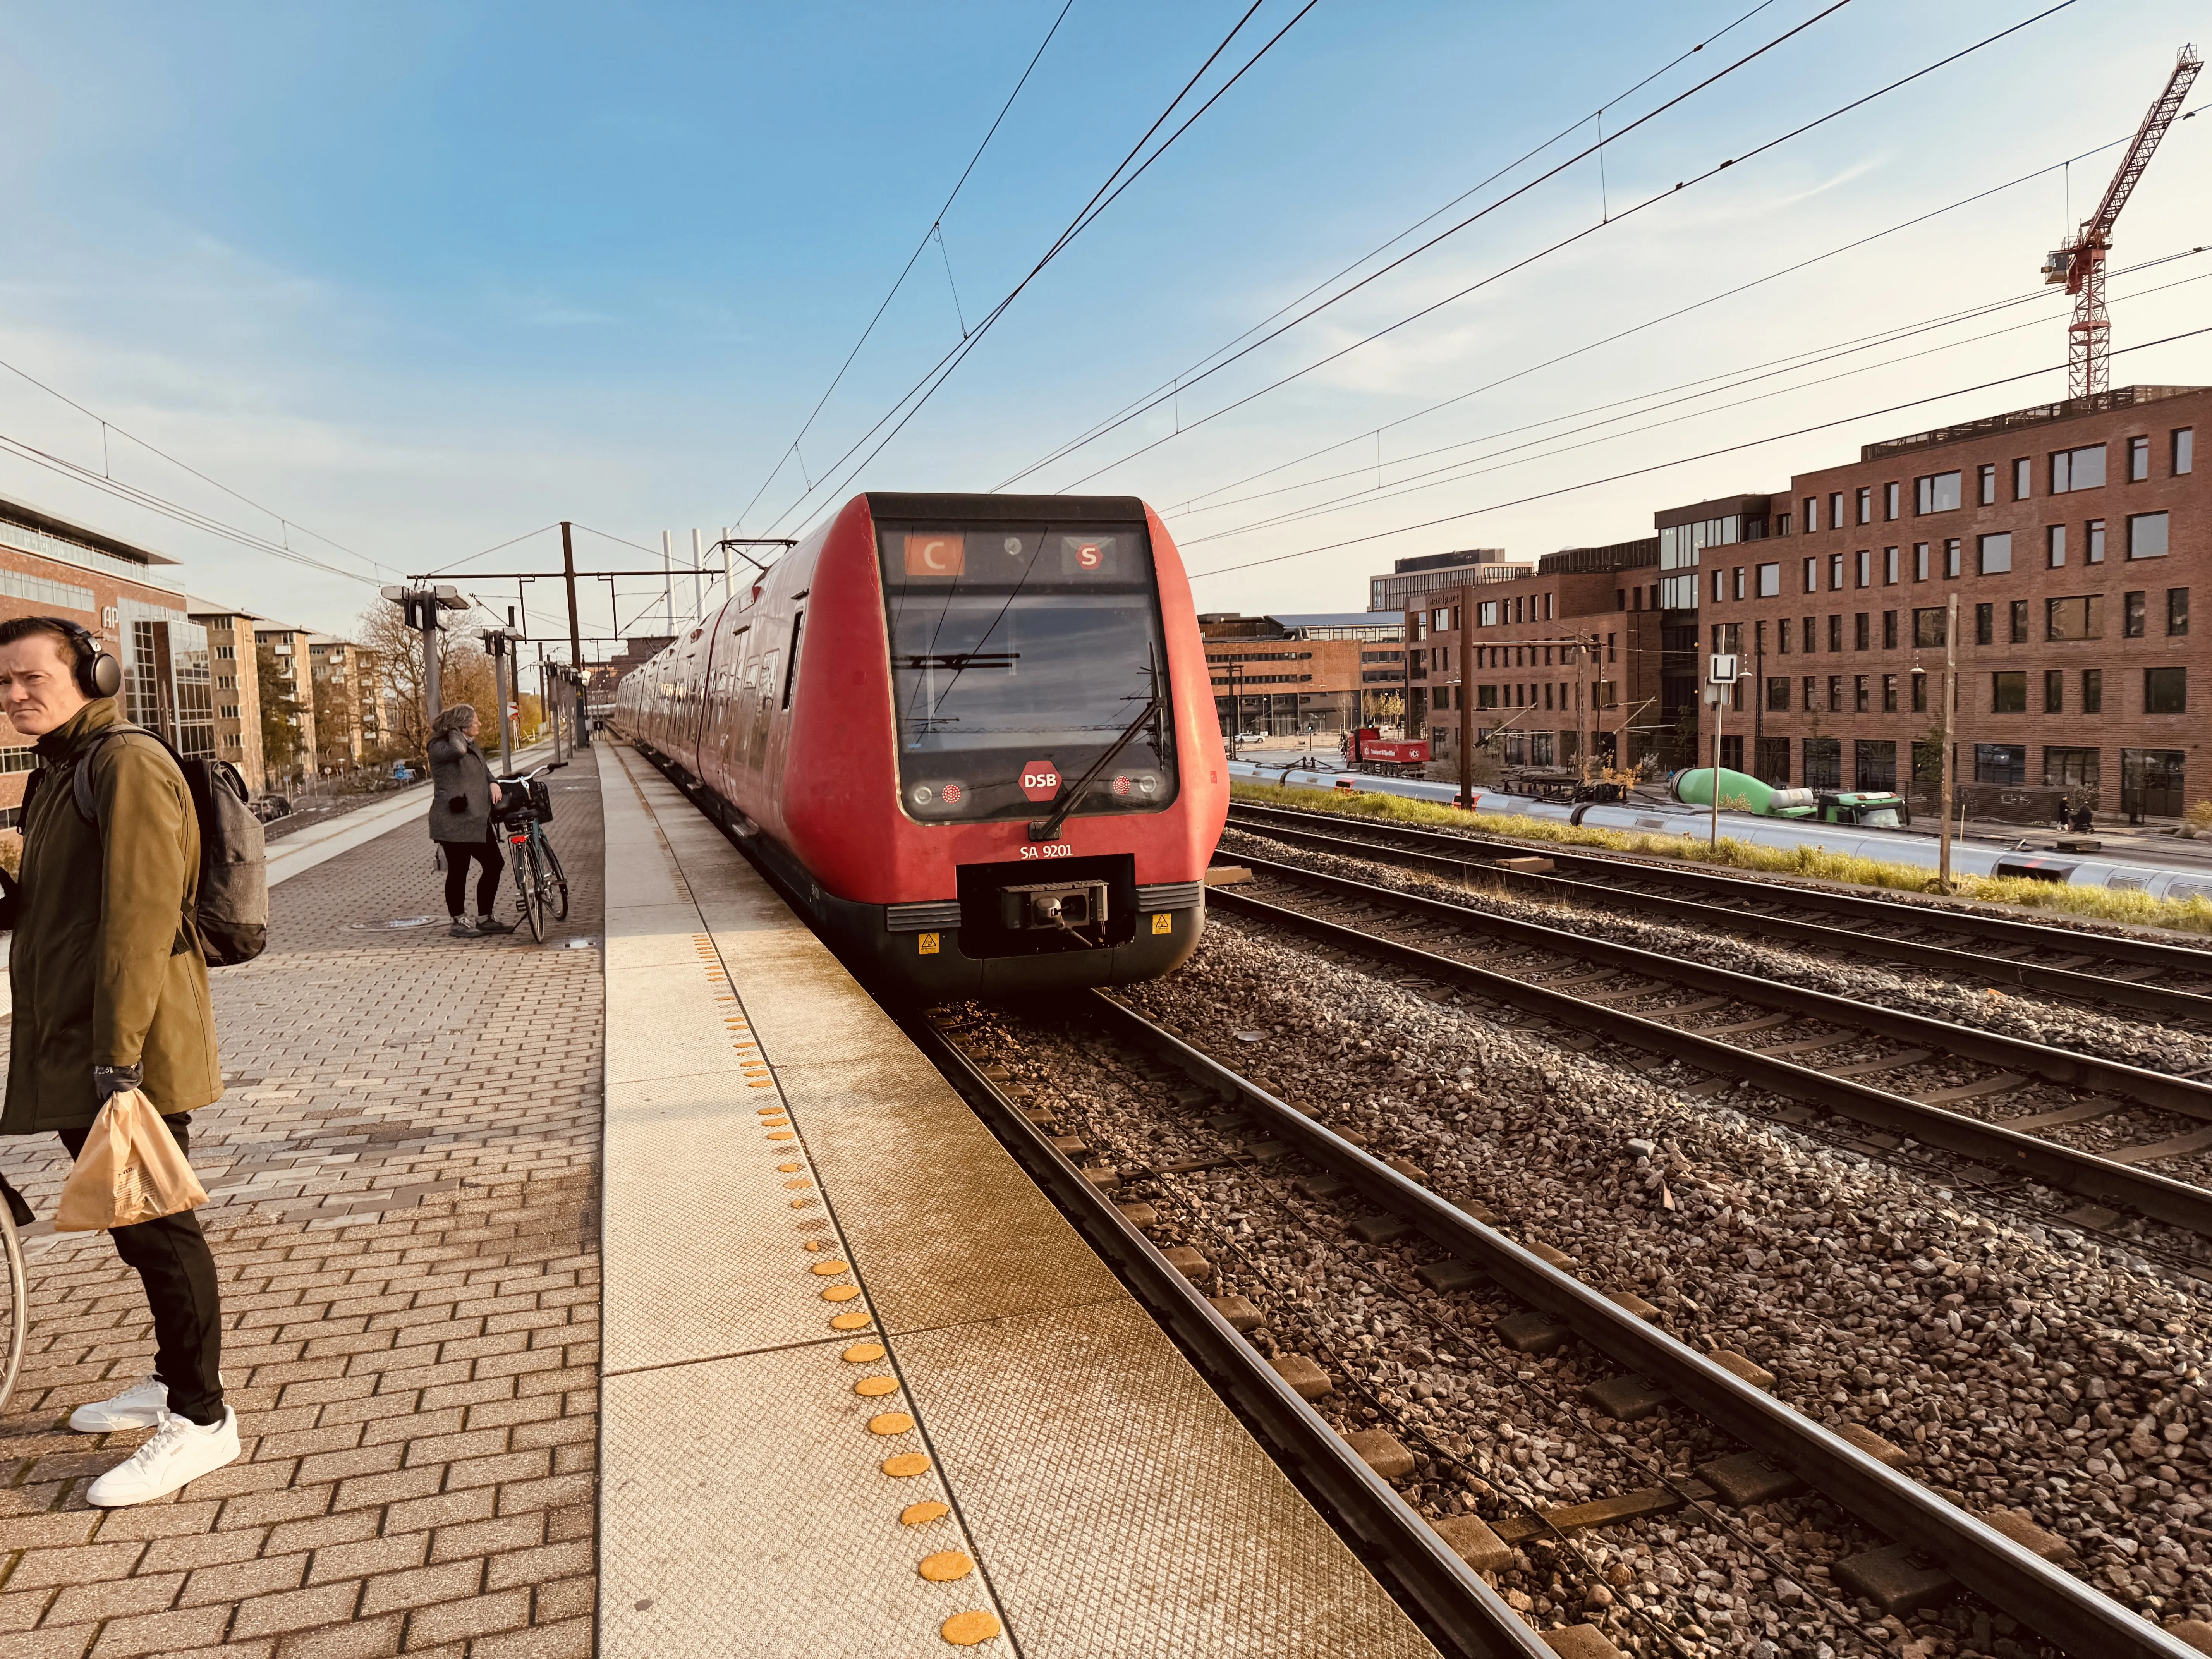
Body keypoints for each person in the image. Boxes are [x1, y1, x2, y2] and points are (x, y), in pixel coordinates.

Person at [0, 616, 237, 1506]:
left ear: (95, 674)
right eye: (4, 685)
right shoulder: (55, 775)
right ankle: (174, 1380)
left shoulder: (125, 764)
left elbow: (140, 917)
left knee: (159, 1229)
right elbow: (50, 910)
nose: (16, 696)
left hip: (124, 1046)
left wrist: (119, 1064)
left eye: (32, 678)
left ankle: (204, 1420)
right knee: (134, 1230)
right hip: (81, 1041)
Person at [426, 704, 515, 937]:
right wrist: (456, 730)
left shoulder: (471, 744)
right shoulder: (440, 747)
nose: (480, 724)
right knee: (459, 870)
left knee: (495, 864)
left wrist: (494, 782)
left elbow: (484, 770)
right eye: (475, 720)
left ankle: (485, 918)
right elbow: (459, 752)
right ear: (462, 725)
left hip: (476, 819)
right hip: (453, 820)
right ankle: (458, 921)